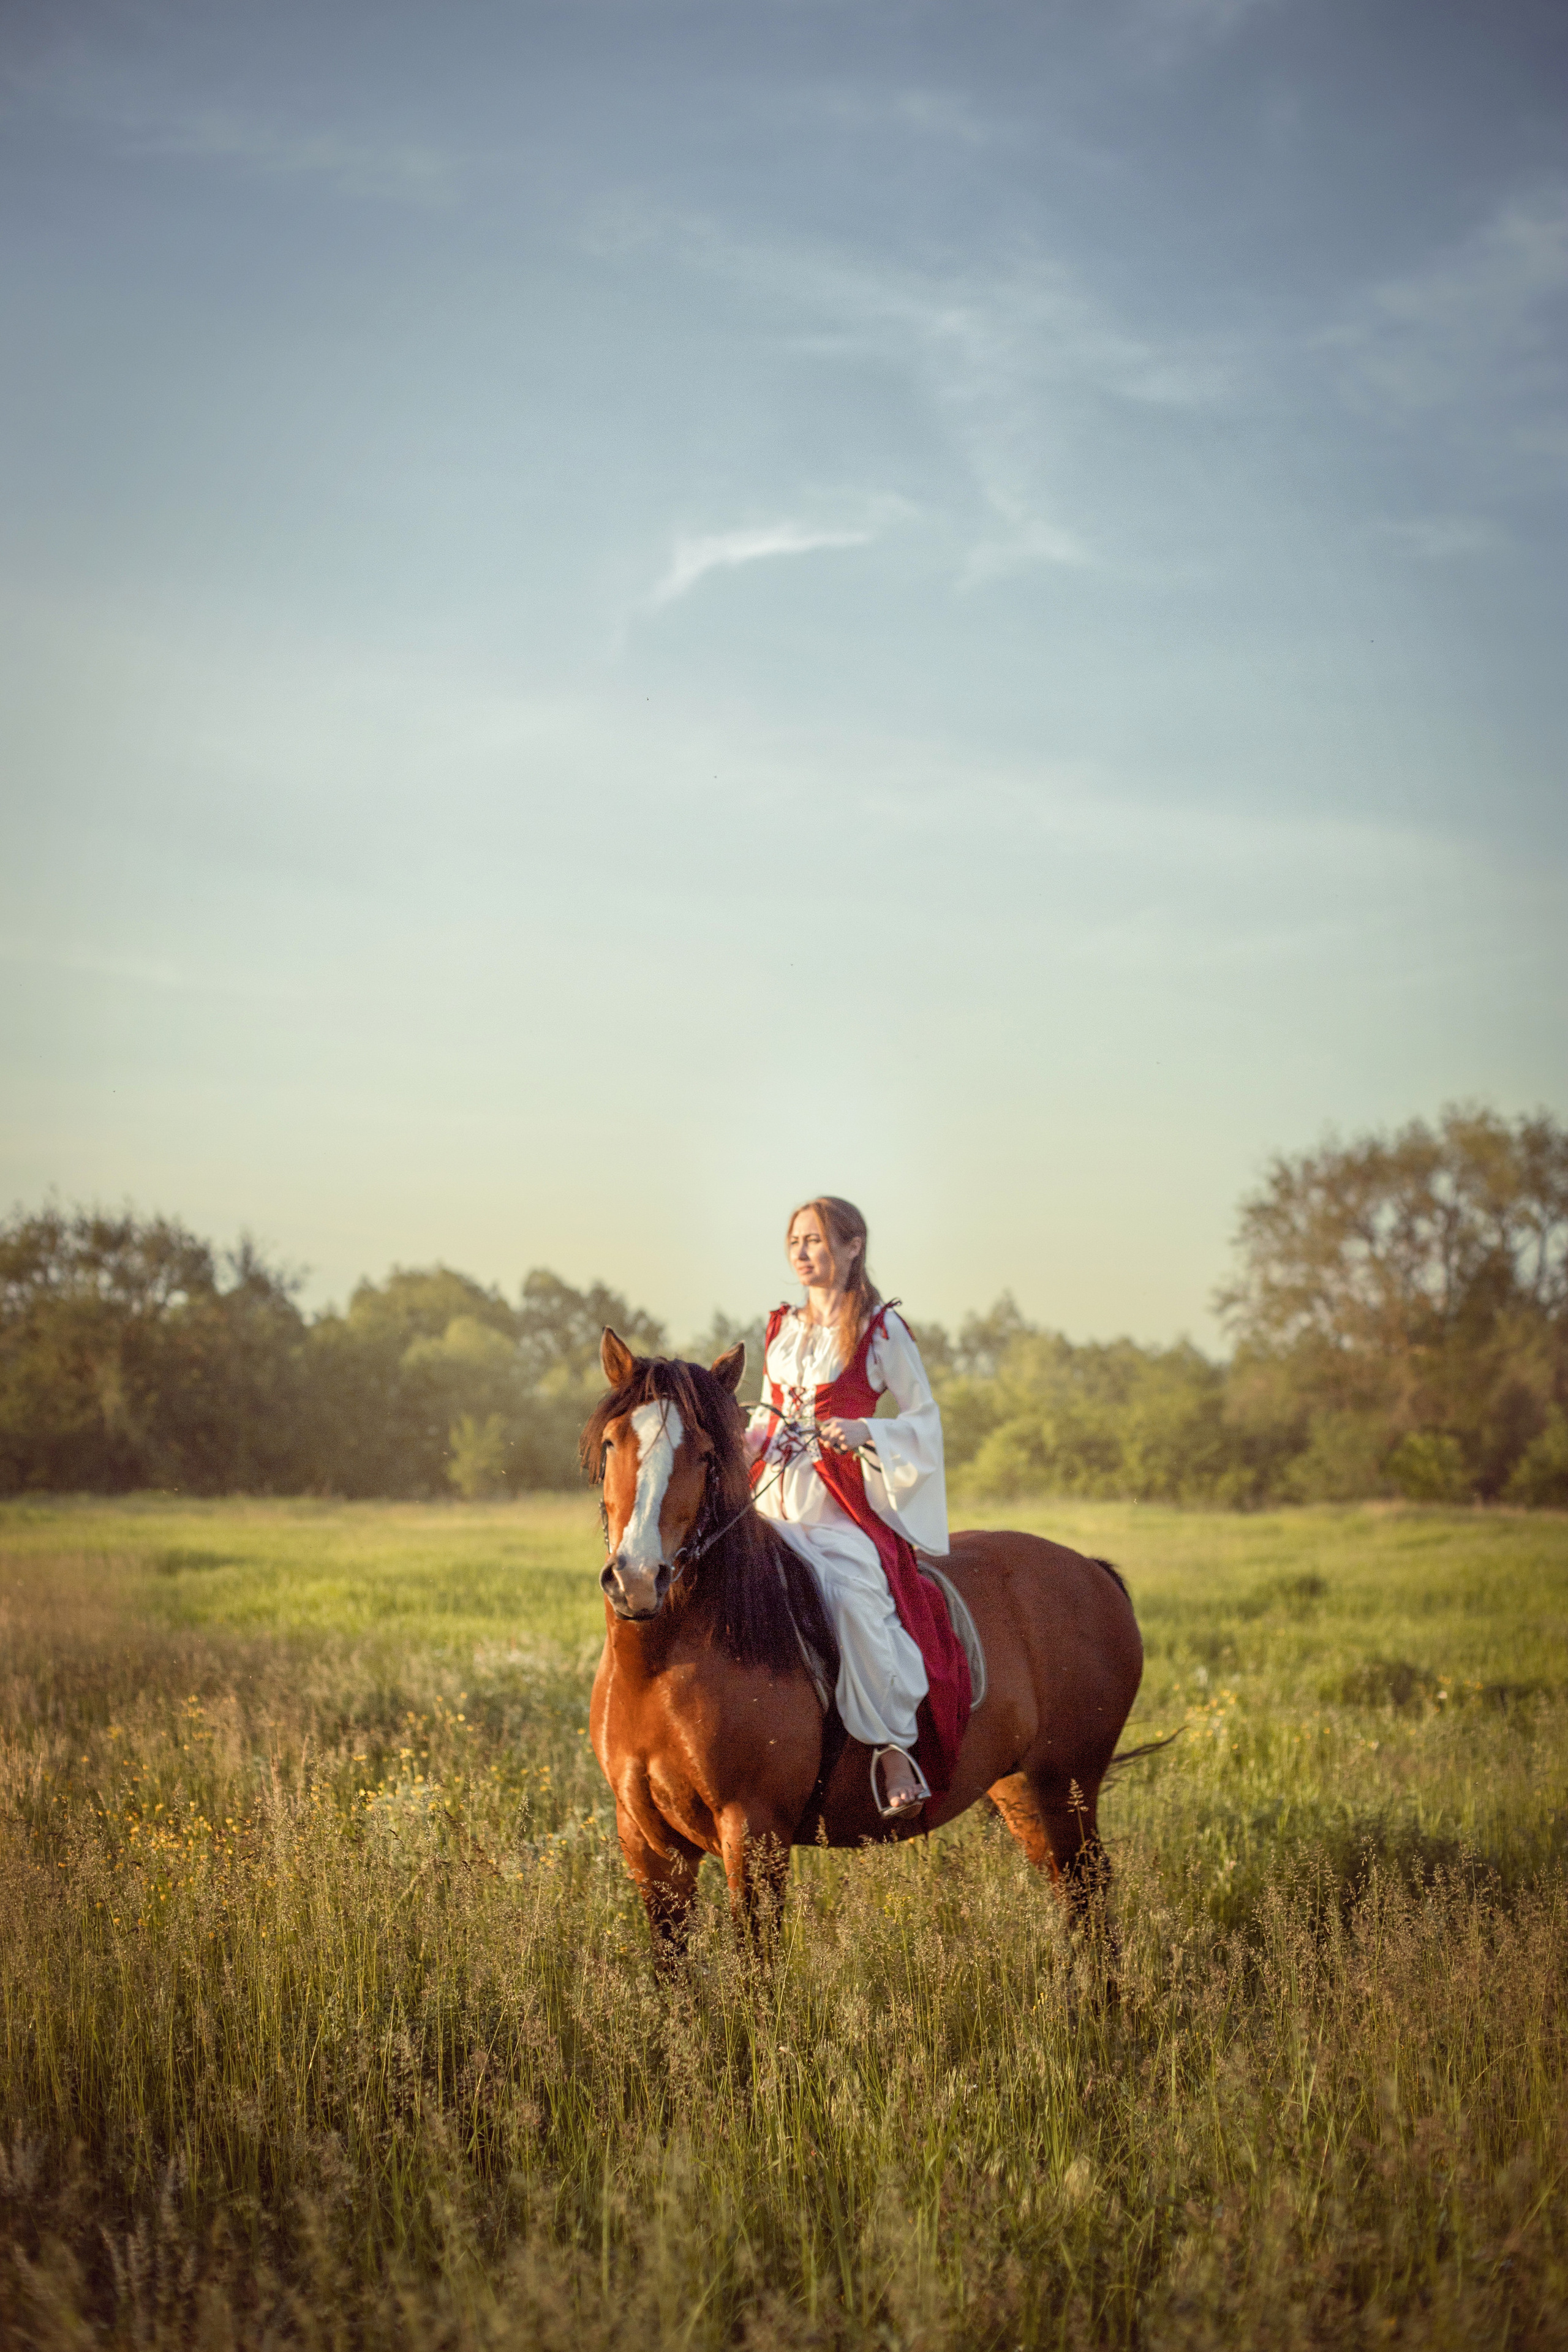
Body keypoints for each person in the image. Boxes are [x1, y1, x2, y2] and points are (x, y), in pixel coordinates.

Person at [744, 1196, 967, 1820]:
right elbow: (767, 1415)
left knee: (852, 1596)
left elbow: (923, 1419)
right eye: (794, 1242)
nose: (801, 1253)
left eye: (814, 1240)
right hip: (774, 1494)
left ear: (852, 1246)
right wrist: (744, 1447)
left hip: (838, 1505)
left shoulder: (880, 1328)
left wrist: (871, 1431)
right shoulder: (780, 1327)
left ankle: (892, 1745)